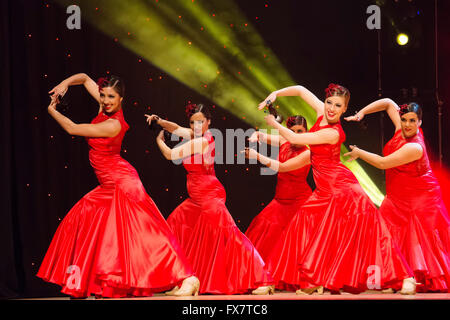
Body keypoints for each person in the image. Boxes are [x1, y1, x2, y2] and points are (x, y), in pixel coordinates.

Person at [37, 73, 199, 298]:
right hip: (108, 185)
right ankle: (99, 284)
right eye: (103, 96)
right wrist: (63, 84)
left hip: (123, 183)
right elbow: (84, 78)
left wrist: (52, 111)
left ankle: (186, 277)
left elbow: (72, 129)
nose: (105, 100)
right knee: (87, 222)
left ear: (121, 98)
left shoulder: (113, 123)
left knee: (144, 234)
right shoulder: (104, 108)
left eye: (111, 97)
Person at [260, 84, 415, 294]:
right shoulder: (321, 112)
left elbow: (295, 139)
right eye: (329, 102)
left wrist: (273, 124)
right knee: (299, 228)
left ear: (344, 110)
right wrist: (275, 94)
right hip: (324, 190)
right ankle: (289, 279)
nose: (331, 108)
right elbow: (300, 89)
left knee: (373, 233)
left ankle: (405, 278)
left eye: (338, 106)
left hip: (343, 189)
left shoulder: (333, 133)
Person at [147, 103, 274, 295]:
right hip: (196, 198)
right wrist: (160, 121)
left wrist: (159, 140)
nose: (196, 126)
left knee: (230, 237)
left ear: (208, 122)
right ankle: (184, 279)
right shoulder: (195, 135)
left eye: (200, 122)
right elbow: (176, 128)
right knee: (176, 226)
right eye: (192, 122)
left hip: (208, 196)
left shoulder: (202, 141)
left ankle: (262, 278)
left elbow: (171, 154)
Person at [345, 99, 450, 292]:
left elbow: (384, 163)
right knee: (385, 233)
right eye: (404, 120)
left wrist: (360, 153)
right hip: (396, 197)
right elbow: (386, 103)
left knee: (416, 240)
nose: (407, 125)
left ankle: (411, 278)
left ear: (420, 122)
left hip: (420, 198)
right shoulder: (400, 129)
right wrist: (362, 113)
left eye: (412, 121)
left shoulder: (415, 147)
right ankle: (394, 277)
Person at [243, 115, 312, 263]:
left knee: (290, 239)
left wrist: (257, 156)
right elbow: (261, 135)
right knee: (263, 228)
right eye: (292, 131)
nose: (295, 135)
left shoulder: (308, 153)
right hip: (280, 199)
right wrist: (256, 135)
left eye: (300, 131)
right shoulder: (284, 140)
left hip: (298, 202)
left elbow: (283, 167)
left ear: (306, 132)